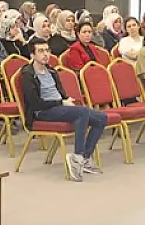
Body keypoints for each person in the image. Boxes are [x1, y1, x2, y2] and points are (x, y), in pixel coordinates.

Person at [19, 39, 108, 182]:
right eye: (41, 51)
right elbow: (36, 104)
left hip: (59, 106)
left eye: (47, 50)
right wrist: (62, 102)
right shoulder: (28, 74)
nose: (46, 54)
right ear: (32, 55)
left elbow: (61, 93)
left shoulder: (52, 71)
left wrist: (67, 101)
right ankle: (77, 157)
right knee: (82, 112)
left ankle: (85, 158)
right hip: (42, 112)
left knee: (101, 118)